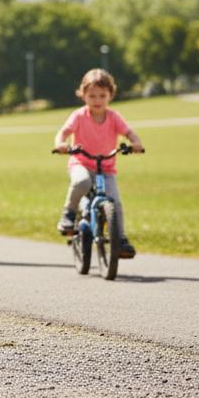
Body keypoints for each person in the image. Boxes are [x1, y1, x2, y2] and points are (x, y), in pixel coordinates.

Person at [54, 68, 145, 258]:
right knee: (82, 182)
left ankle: (120, 239)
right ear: (83, 95)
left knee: (115, 202)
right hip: (81, 163)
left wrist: (135, 143)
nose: (97, 100)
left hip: (106, 168)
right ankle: (69, 214)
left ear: (110, 95)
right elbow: (63, 132)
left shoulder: (113, 117)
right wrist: (61, 144)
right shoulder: (79, 116)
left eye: (102, 95)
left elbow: (129, 132)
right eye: (92, 96)